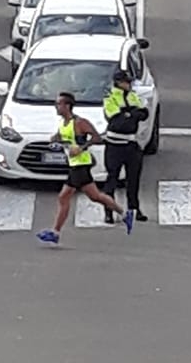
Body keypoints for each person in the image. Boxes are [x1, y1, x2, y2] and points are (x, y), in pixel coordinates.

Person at [37, 91, 125, 246]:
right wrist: (56, 138)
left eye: (59, 104)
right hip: (74, 164)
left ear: (67, 106)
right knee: (95, 196)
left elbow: (97, 137)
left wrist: (82, 148)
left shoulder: (79, 122)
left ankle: (55, 233)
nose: (56, 107)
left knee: (64, 196)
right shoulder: (64, 123)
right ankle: (124, 214)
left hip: (81, 164)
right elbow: (64, 136)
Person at [102, 67, 149, 227]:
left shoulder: (133, 96)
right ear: (119, 83)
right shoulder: (110, 98)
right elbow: (117, 122)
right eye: (127, 82)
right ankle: (108, 211)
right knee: (112, 180)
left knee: (133, 179)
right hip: (114, 145)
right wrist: (131, 115)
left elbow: (144, 114)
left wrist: (129, 114)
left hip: (131, 144)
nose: (129, 84)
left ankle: (134, 209)